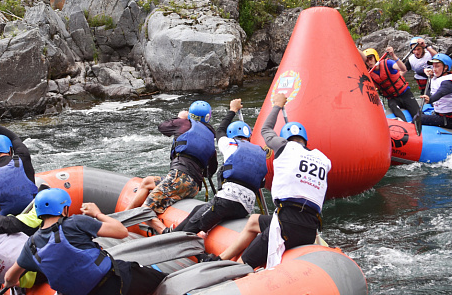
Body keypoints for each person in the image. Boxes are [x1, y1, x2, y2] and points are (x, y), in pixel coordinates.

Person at [204, 92, 330, 270]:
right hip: (310, 228)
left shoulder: (284, 146)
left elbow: (266, 130)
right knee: (254, 221)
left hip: (286, 226)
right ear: (306, 140)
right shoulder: (324, 160)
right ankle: (221, 258)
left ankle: (235, 267)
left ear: (283, 139)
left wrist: (277, 105)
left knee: (242, 265)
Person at [3, 188, 166, 295]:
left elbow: (9, 278)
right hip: (117, 286)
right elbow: (122, 232)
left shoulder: (30, 246)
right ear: (64, 209)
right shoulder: (75, 222)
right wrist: (97, 214)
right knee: (162, 279)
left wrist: (14, 283)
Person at [174, 99, 269, 235]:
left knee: (191, 227)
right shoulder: (260, 152)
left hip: (226, 202)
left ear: (231, 135)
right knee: (197, 209)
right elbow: (261, 183)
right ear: (249, 136)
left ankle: (172, 238)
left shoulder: (229, 144)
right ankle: (170, 234)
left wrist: (233, 110)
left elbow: (220, 130)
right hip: (244, 209)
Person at [141, 101, 218, 234]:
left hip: (178, 178)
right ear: (208, 117)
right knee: (147, 181)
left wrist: (180, 117)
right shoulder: (210, 137)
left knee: (145, 210)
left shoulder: (184, 123)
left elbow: (162, 127)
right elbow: (210, 171)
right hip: (194, 186)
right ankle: (127, 213)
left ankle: (166, 232)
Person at [362, 46, 422, 133]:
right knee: (396, 111)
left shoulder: (388, 63)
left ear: (375, 58)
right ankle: (406, 129)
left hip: (405, 94)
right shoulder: (368, 74)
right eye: (367, 61)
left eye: (370, 59)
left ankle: (419, 129)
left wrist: (393, 55)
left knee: (417, 115)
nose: (369, 62)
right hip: (392, 99)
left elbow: (403, 69)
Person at [417, 54, 452, 130]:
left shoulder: (449, 81)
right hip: (440, 114)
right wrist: (425, 70)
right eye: (433, 66)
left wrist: (430, 99)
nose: (434, 69)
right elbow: (417, 71)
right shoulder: (437, 76)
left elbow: (440, 93)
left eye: (437, 66)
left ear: (445, 67)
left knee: (419, 118)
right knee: (417, 113)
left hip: (450, 120)